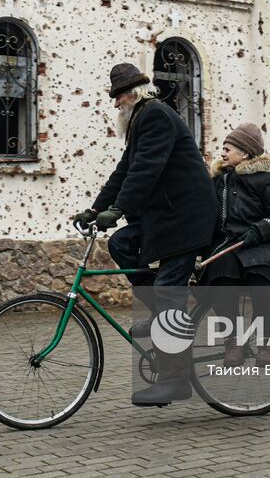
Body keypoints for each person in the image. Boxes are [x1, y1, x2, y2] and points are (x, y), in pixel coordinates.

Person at [69, 62, 215, 406]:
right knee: (121, 243)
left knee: (168, 290)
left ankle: (175, 380)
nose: (115, 104)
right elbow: (126, 170)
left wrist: (118, 210)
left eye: (118, 97)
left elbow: (147, 169)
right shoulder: (141, 121)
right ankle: (161, 315)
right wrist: (96, 208)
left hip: (186, 217)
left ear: (132, 94)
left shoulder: (156, 116)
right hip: (166, 216)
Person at [202, 122, 270, 366]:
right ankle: (233, 341)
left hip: (261, 247)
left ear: (245, 153)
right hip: (227, 248)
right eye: (222, 148)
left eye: (228, 148)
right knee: (219, 279)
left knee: (261, 279)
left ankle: (267, 341)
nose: (222, 153)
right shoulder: (216, 182)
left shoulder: (266, 180)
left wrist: (261, 230)